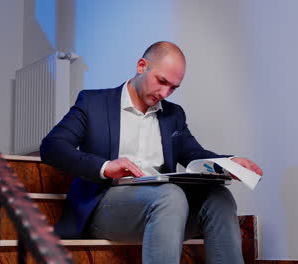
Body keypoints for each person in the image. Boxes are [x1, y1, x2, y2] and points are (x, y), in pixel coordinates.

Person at [40, 41, 263, 264]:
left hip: (167, 213)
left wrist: (229, 162)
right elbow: (52, 147)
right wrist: (106, 167)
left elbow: (195, 154)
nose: (164, 93)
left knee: (220, 198)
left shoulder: (173, 115)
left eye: (173, 88)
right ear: (141, 66)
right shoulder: (93, 103)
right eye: (161, 81)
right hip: (106, 208)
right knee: (170, 196)